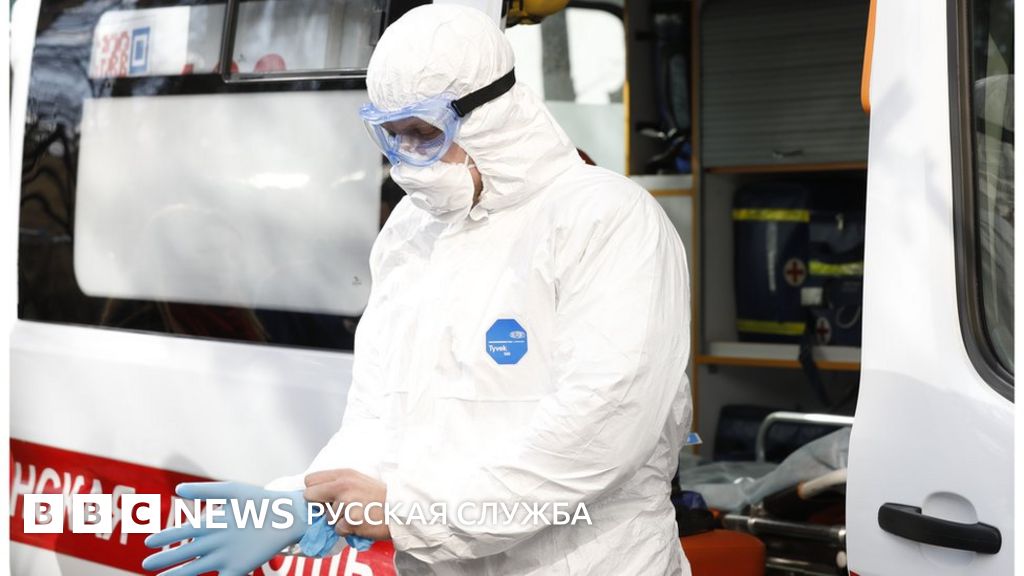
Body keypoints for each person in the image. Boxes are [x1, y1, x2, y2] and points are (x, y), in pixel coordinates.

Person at [144, 4, 693, 575]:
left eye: (425, 133)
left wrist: (403, 513)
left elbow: (598, 433)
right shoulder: (412, 229)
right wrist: (311, 502)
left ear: (492, 116)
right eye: (392, 134)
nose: (409, 159)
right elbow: (379, 411)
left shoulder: (605, 218)